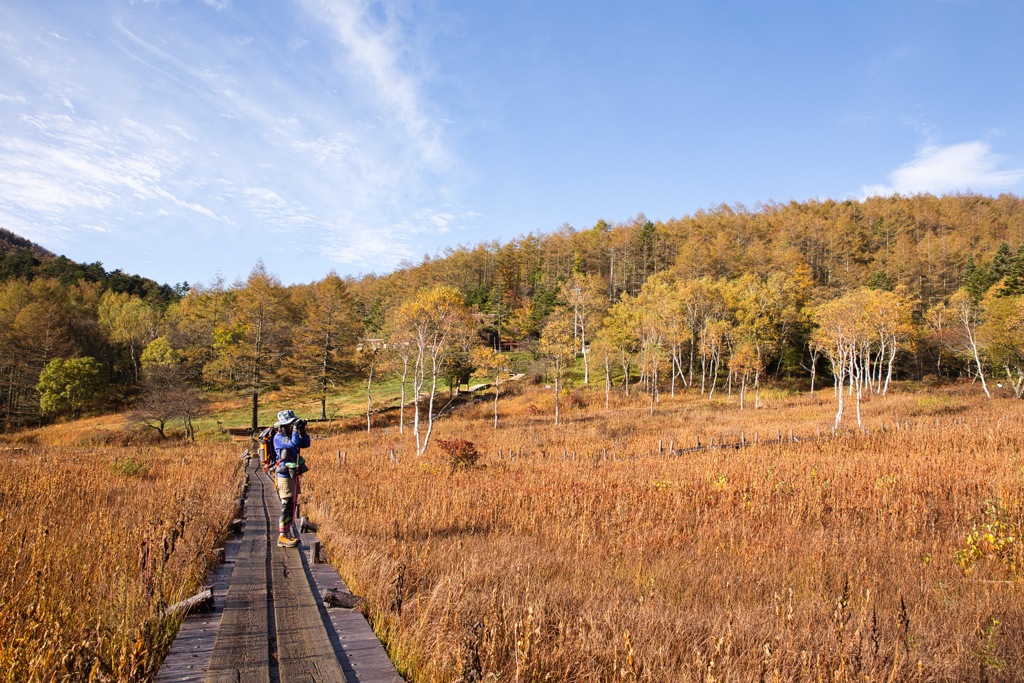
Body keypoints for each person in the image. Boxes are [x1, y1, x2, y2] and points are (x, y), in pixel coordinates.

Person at [272, 409, 310, 548]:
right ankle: (282, 536)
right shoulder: (278, 438)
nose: (292, 425)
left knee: (292, 504)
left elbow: (305, 444)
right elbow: (293, 444)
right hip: (284, 475)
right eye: (290, 424)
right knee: (287, 504)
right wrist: (294, 431)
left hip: (292, 473)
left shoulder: (289, 435)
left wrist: (302, 431)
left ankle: (287, 533)